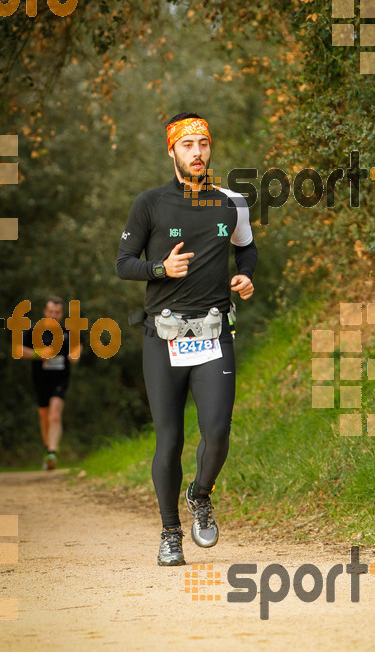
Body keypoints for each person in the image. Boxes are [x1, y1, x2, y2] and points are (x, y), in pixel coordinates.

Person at [116, 112, 257, 566]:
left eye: (203, 143)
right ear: (172, 151)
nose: (197, 152)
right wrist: (160, 269)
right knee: (170, 439)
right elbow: (123, 263)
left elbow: (246, 247)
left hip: (214, 333)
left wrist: (246, 276)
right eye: (187, 145)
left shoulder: (230, 202)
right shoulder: (151, 203)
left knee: (216, 433)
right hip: (164, 337)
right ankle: (170, 532)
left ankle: (200, 494)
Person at [21, 296, 81, 470]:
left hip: (60, 378)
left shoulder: (68, 331)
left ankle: (53, 451)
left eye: (57, 312)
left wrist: (75, 354)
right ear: (45, 312)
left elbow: (78, 347)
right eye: (51, 312)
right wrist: (39, 354)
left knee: (54, 414)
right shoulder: (34, 331)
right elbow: (19, 350)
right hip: (40, 378)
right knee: (44, 415)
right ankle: (48, 450)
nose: (54, 315)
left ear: (61, 314)